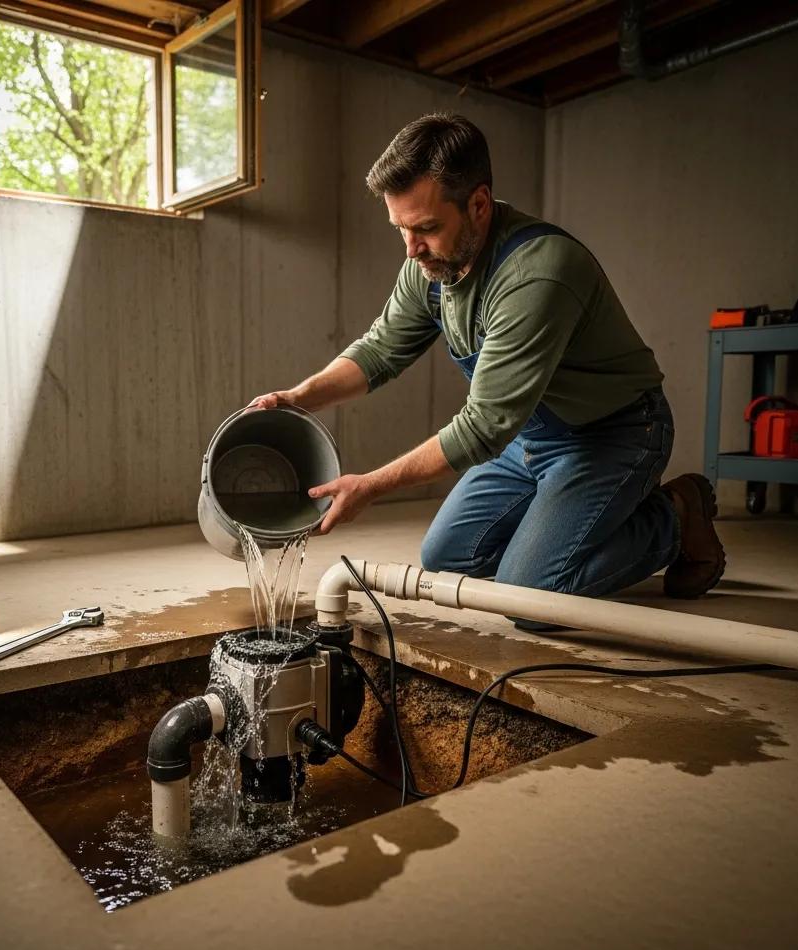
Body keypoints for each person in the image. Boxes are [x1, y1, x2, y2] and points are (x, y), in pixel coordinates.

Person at [249, 112, 725, 621]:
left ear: (478, 204)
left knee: (531, 600)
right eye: (401, 229)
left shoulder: (537, 273)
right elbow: (379, 351)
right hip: (528, 435)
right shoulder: (429, 264)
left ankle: (673, 516)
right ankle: (567, 538)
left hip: (611, 434)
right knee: (449, 558)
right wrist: (299, 397)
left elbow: (482, 428)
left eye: (426, 228)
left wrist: (368, 486)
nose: (411, 250)